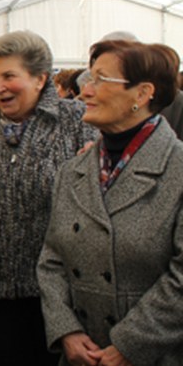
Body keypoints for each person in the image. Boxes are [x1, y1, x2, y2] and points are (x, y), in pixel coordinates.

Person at [0, 31, 98, 366]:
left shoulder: (77, 122)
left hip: (62, 294)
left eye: (9, 76)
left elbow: (95, 203)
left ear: (40, 79)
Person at [38, 40, 183, 366]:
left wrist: (130, 345)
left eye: (100, 80)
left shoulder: (177, 170)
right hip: (81, 355)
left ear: (142, 94)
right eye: (88, 79)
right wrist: (66, 331)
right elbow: (52, 260)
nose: (84, 91)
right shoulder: (73, 170)